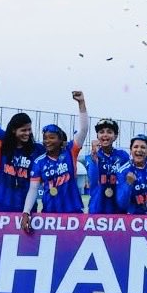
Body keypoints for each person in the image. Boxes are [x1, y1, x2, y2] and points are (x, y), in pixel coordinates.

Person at [21, 92, 89, 228]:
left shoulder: (71, 152)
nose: (47, 141)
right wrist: (26, 212)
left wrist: (81, 104)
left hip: (73, 212)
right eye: (45, 138)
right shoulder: (39, 162)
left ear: (60, 140)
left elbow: (83, 129)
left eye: (52, 137)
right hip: (49, 214)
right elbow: (33, 189)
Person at [0, 77, 46, 212]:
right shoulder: (2, 142)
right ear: (14, 130)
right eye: (23, 130)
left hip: (27, 209)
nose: (27, 133)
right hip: (2, 205)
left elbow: (55, 152)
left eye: (29, 129)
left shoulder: (37, 149)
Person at [86, 118, 130, 214]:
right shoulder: (90, 157)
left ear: (115, 136)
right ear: (97, 136)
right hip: (97, 208)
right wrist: (94, 158)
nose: (105, 134)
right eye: (101, 132)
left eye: (109, 132)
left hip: (118, 208)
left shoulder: (123, 155)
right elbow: (93, 181)